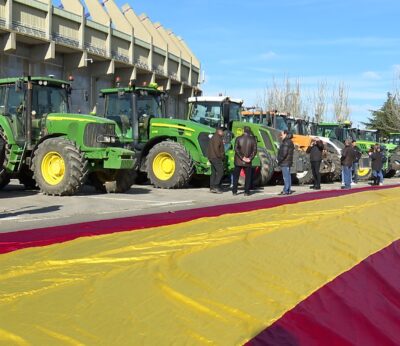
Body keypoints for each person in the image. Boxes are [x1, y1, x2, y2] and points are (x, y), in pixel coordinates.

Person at [232, 126, 257, 196]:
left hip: (238, 161)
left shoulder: (238, 138)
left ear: (243, 131)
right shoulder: (253, 140)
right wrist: (249, 158)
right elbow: (255, 151)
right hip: (248, 162)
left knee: (236, 176)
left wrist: (242, 157)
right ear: (249, 131)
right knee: (248, 177)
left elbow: (236, 149)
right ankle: (246, 192)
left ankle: (234, 191)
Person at [207, 126, 225, 193]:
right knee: (220, 172)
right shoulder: (217, 138)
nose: (223, 133)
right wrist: (220, 156)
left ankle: (212, 187)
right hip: (216, 158)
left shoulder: (214, 137)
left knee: (213, 173)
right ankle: (216, 186)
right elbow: (216, 149)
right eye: (222, 131)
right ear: (219, 131)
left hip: (212, 157)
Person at [277, 130, 295, 195]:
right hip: (288, 161)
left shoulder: (286, 142)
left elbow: (284, 153)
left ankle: (286, 190)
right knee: (288, 176)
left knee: (285, 177)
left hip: (285, 161)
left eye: (282, 134)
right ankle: (288, 189)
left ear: (285, 134)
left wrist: (279, 159)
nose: (281, 136)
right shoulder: (290, 141)